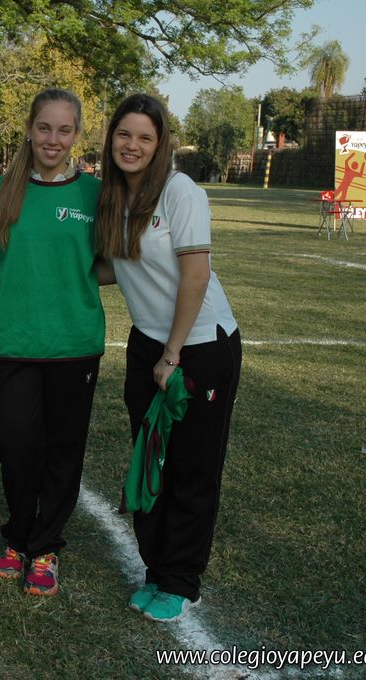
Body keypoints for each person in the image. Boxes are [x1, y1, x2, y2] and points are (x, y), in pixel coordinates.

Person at [95, 93, 241, 622]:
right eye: (124, 134)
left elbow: (195, 276)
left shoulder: (180, 192)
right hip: (146, 342)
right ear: (111, 139)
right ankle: (157, 569)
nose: (132, 145)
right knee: (150, 459)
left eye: (145, 137)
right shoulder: (113, 195)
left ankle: (181, 581)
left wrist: (173, 354)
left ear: (161, 145)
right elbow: (114, 268)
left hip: (199, 345)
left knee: (192, 468)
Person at [0, 88, 105, 597]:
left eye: (64, 130)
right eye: (44, 128)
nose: (53, 139)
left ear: (77, 135)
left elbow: (109, 265)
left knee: (62, 450)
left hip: (75, 343)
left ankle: (46, 546)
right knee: (16, 448)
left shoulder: (95, 194)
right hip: (13, 342)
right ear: (30, 130)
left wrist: (68, 282)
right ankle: (17, 535)